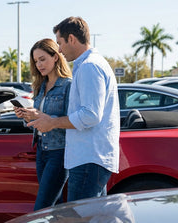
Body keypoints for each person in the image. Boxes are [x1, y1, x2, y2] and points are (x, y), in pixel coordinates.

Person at [27, 17, 120, 202]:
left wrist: (52, 122)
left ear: (71, 39)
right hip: (89, 157)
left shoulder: (89, 66)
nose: (59, 49)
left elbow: (91, 115)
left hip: (88, 158)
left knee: (79, 217)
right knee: (93, 216)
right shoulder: (90, 64)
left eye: (60, 43)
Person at [14, 38, 72, 210]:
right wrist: (27, 116)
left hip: (59, 152)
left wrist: (40, 115)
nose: (39, 64)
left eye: (42, 59)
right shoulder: (40, 85)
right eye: (36, 61)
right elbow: (39, 118)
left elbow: (72, 120)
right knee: (55, 206)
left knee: (42, 207)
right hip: (41, 150)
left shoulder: (67, 85)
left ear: (55, 57)